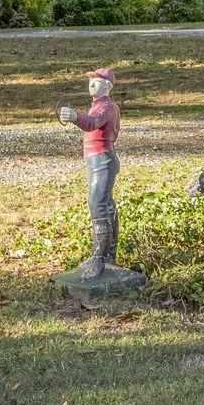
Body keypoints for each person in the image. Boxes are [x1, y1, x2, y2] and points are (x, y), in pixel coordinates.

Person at [59, 68, 122, 279]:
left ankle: (100, 257)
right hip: (99, 159)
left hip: (102, 160)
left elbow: (91, 123)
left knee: (98, 205)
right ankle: (108, 255)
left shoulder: (105, 107)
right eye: (91, 81)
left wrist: (75, 116)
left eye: (98, 81)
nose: (92, 85)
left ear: (108, 86)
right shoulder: (99, 105)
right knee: (105, 203)